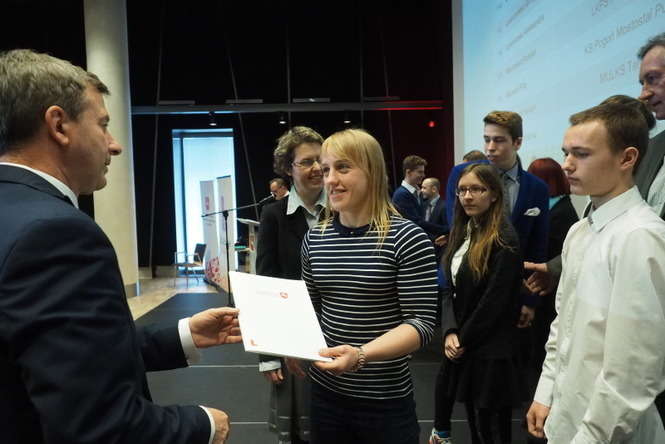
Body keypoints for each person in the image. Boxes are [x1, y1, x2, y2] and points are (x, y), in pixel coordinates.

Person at [0, 49, 241, 444]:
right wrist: (204, 425)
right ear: (59, 125)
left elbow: (57, 355)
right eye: (103, 125)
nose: (114, 146)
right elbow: (99, 426)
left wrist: (182, 335)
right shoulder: (55, 234)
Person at [526, 102, 665, 443]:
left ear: (626, 158)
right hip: (567, 416)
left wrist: (590, 437)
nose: (567, 164)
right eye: (566, 153)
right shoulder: (579, 232)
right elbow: (563, 324)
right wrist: (546, 392)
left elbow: (632, 373)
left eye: (581, 154)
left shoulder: (640, 236)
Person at [292, 129, 438, 444]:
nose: (330, 179)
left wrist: (361, 355)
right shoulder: (315, 238)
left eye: (343, 167)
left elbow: (421, 324)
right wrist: (290, 343)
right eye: (326, 170)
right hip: (324, 396)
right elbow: (310, 309)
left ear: (372, 172)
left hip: (385, 403)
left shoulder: (407, 239)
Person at [430, 164, 523, 444]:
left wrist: (462, 338)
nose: (468, 196)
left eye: (477, 189)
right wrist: (449, 331)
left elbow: (494, 302)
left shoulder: (505, 239)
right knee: (474, 428)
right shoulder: (463, 230)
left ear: (494, 194)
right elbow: (448, 288)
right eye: (462, 190)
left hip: (491, 352)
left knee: (491, 432)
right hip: (465, 343)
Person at [256, 126, 326, 444]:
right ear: (288, 168)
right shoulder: (273, 216)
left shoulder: (345, 210)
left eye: (320, 160)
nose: (317, 168)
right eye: (307, 161)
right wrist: (268, 355)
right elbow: (265, 286)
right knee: (299, 433)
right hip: (293, 340)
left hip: (341, 333)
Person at [525, 158, 578, 402]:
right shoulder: (553, 207)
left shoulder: (561, 212)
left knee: (543, 348)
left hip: (548, 289)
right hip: (542, 286)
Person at [420, 177, 449, 260]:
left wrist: (426, 225)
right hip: (424, 251)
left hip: (438, 252)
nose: (421, 190)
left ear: (434, 189)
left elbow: (447, 228)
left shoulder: (445, 206)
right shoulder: (423, 205)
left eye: (424, 188)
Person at [392, 154, 427, 220]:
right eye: (420, 172)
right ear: (408, 172)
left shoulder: (418, 193)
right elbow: (415, 222)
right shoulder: (401, 195)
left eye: (423, 172)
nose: (423, 175)